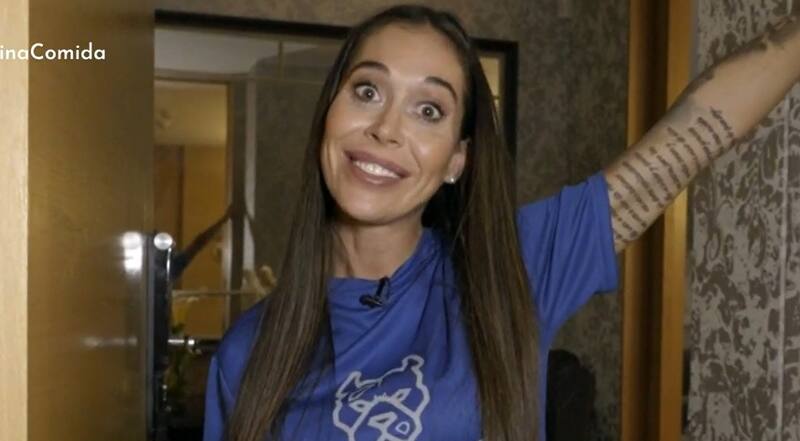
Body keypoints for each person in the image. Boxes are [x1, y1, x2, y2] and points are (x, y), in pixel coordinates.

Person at [202, 4, 800, 441]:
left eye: (428, 109)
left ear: (456, 160)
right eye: (366, 91)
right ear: (328, 116)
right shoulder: (248, 351)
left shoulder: (511, 270)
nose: (386, 129)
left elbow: (696, 134)